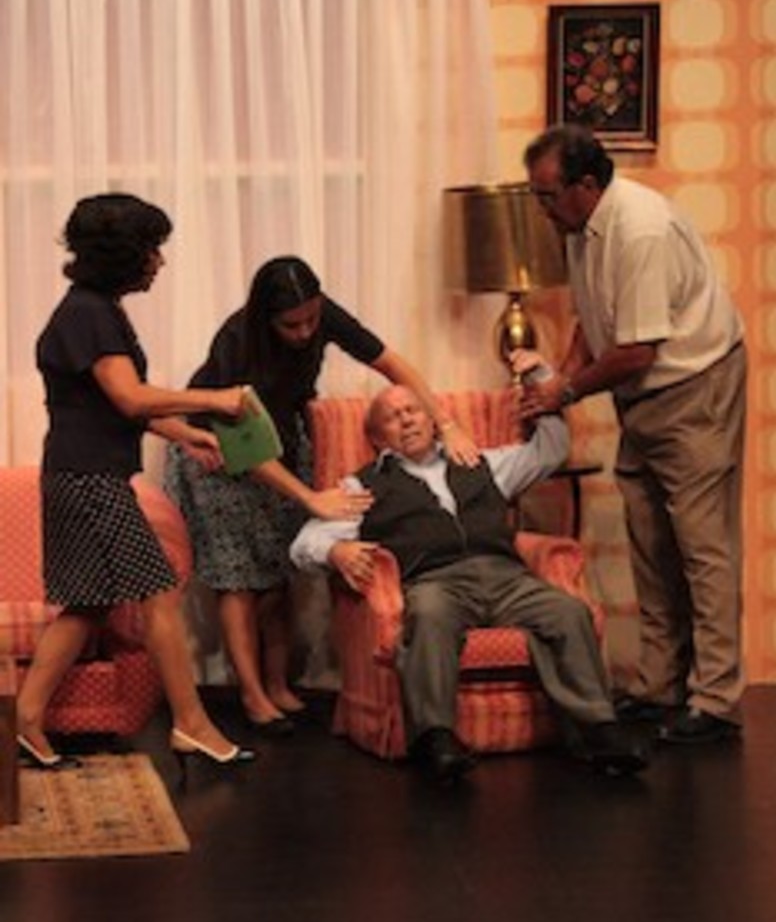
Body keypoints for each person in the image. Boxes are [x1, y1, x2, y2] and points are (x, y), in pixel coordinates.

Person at [164, 257, 478, 735]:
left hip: (280, 443)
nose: (305, 332)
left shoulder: (323, 315)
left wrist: (446, 422)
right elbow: (241, 444)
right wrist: (309, 498)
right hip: (218, 451)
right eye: (291, 325)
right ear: (267, 317)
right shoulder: (237, 340)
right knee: (238, 578)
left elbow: (391, 363)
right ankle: (251, 694)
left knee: (277, 572)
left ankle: (277, 683)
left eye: (312, 319)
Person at [515, 123, 747, 746]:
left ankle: (716, 697)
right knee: (649, 536)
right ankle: (659, 684)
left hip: (692, 387)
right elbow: (595, 322)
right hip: (640, 397)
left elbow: (637, 350)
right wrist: (557, 382)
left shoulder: (640, 229)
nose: (541, 208)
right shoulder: (581, 228)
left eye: (546, 195)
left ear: (586, 184)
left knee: (702, 544)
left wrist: (566, 392)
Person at [290, 383, 649, 782]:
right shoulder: (364, 486)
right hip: (435, 581)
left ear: (431, 419)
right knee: (428, 616)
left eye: (413, 410)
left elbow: (551, 449)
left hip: (505, 576)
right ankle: (436, 738)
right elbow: (304, 543)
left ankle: (599, 731)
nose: (406, 419)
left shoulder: (481, 461)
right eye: (392, 416)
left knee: (568, 611)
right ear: (377, 437)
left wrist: (541, 382)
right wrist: (335, 551)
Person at [16, 192, 256, 772]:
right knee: (158, 592)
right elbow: (129, 397)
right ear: (123, 256)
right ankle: (191, 722)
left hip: (80, 473)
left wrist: (187, 435)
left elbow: (113, 405)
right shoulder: (89, 315)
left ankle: (24, 720)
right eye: (152, 249)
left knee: (88, 604)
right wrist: (213, 401)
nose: (160, 261)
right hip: (89, 479)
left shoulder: (95, 309)